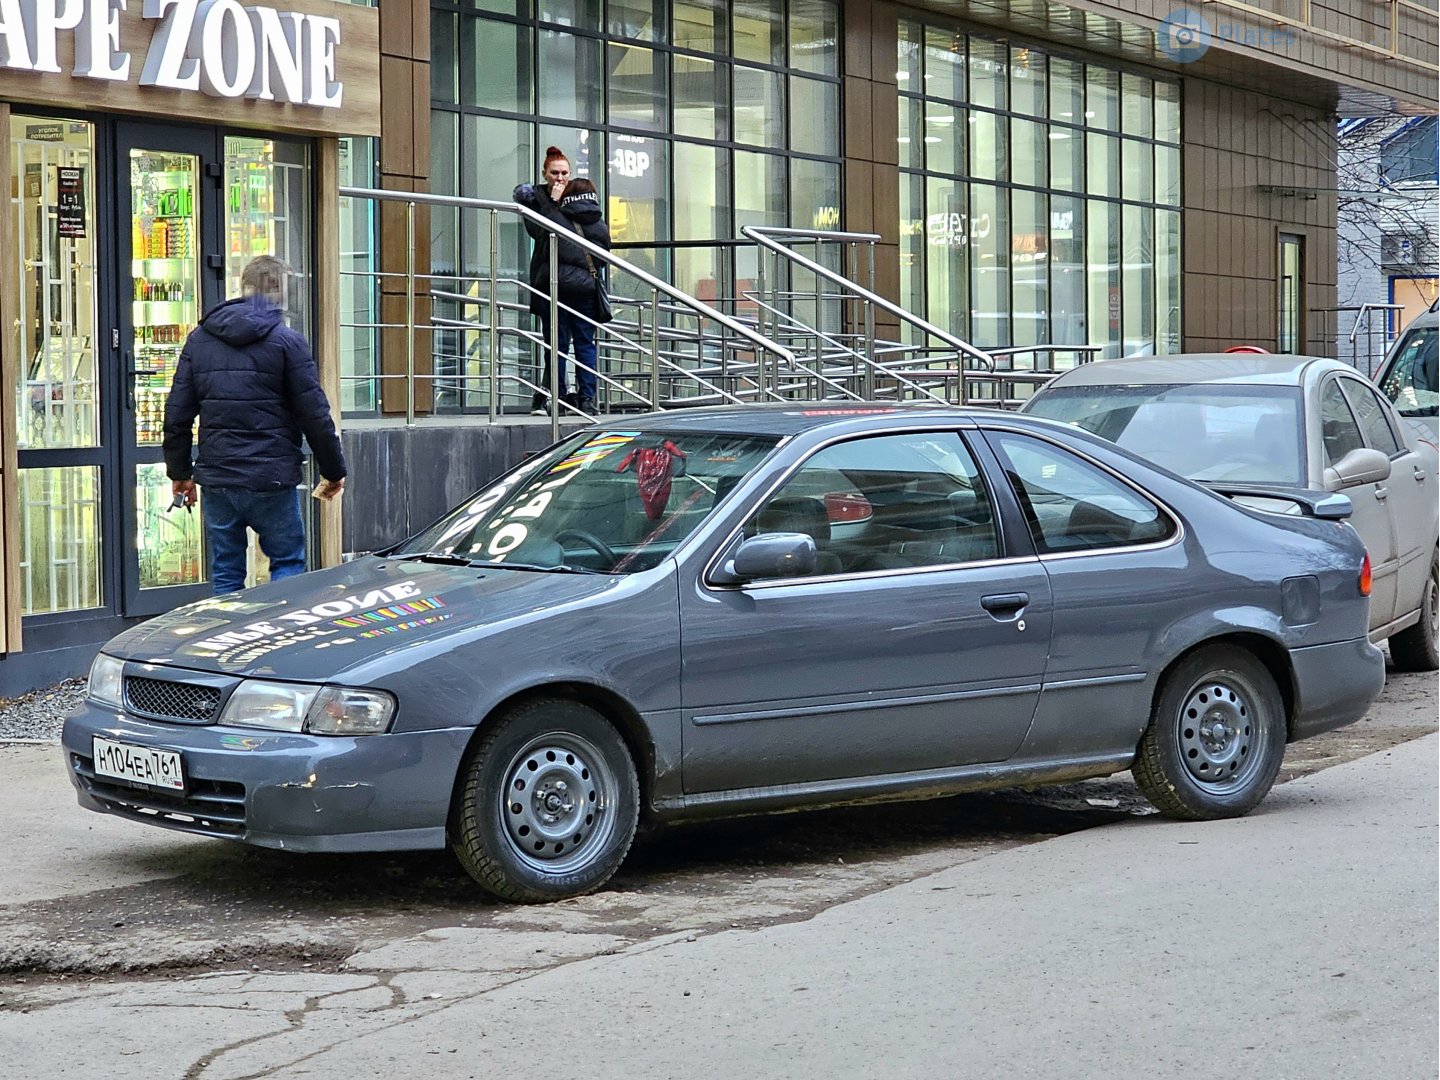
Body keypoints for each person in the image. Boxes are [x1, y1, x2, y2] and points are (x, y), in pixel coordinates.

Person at [163, 255, 347, 596]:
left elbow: (176, 414)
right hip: (272, 476)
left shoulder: (200, 340)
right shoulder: (287, 343)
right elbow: (315, 415)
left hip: (218, 478)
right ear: (279, 294)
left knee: (226, 571)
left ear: (243, 288)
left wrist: (180, 473)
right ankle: (284, 640)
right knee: (287, 563)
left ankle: (228, 642)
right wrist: (333, 470)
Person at [514, 152, 611, 414]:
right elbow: (539, 232)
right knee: (578, 344)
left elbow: (546, 231)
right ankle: (584, 399)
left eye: (564, 173)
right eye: (555, 173)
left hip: (559, 285)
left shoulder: (567, 208)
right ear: (545, 173)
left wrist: (555, 206)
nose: (560, 178)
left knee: (559, 345)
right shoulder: (544, 201)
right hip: (573, 286)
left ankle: (562, 398)